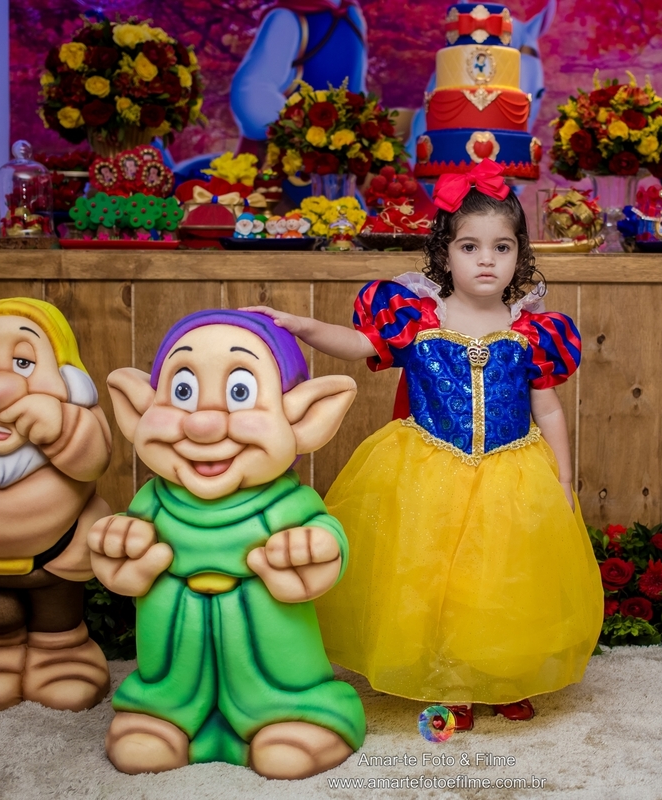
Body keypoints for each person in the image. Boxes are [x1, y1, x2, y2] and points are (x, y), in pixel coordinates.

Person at [247, 158, 602, 729]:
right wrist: (299, 324)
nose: (486, 259)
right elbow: (358, 342)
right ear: (444, 253)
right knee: (439, 584)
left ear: (519, 256)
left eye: (502, 247)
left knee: (506, 579)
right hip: (429, 468)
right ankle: (451, 683)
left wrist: (561, 477)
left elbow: (549, 407)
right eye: (469, 246)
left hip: (513, 473)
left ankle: (505, 673)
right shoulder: (417, 318)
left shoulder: (531, 331)